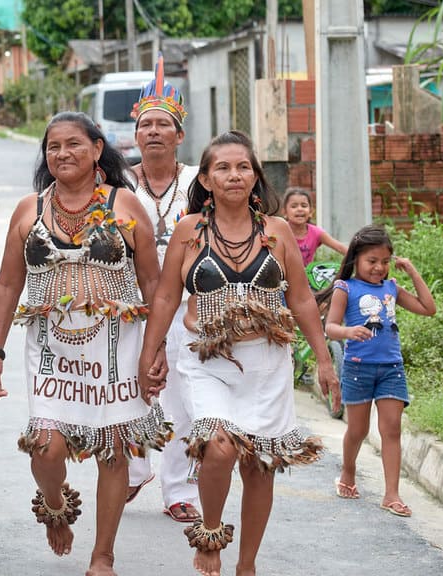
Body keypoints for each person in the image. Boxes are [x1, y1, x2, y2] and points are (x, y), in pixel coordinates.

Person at [137, 130, 339, 576]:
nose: (234, 175)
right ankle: (210, 535)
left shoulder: (278, 230)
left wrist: (324, 361)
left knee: (260, 467)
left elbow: (302, 301)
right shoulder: (189, 232)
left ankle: (246, 565)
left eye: (242, 167)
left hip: (267, 366)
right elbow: (167, 298)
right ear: (206, 179)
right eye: (222, 168)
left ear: (255, 177)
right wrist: (150, 354)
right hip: (204, 362)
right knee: (220, 446)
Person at [0, 111, 172, 576]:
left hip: (118, 346)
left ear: (95, 148)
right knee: (45, 448)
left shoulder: (125, 203)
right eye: (53, 146)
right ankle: (55, 505)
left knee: (114, 449)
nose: (62, 153)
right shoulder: (30, 208)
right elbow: (9, 283)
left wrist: (157, 346)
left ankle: (102, 554)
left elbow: (153, 281)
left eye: (72, 144)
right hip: (52, 348)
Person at [124, 54, 201, 523]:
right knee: (130, 388)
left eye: (163, 124)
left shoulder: (198, 182)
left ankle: (179, 490)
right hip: (128, 303)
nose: (153, 131)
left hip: (186, 304)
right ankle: (134, 470)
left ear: (179, 135)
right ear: (135, 135)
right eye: (146, 124)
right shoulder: (116, 182)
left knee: (183, 397)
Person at [324, 225, 436, 517]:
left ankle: (392, 494)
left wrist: (411, 271)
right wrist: (349, 331)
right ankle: (348, 473)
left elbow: (428, 308)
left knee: (392, 430)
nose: (379, 268)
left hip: (391, 368)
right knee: (358, 430)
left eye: (384, 261)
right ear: (356, 259)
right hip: (358, 369)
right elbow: (330, 327)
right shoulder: (345, 288)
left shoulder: (391, 287)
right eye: (371, 261)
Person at [283, 188, 347, 266]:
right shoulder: (281, 231)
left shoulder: (316, 232)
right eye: (294, 206)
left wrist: (358, 257)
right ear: (285, 212)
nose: (299, 209)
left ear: (311, 212)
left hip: (306, 276)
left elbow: (340, 247)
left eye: (304, 206)